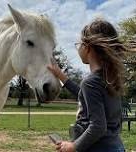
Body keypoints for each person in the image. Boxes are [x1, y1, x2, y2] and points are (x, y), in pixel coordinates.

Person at [47, 19, 126, 152]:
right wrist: (60, 74)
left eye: (79, 44)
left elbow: (98, 126)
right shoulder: (109, 79)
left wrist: (73, 146)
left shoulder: (90, 82)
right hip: (115, 146)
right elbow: (82, 94)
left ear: (87, 47)